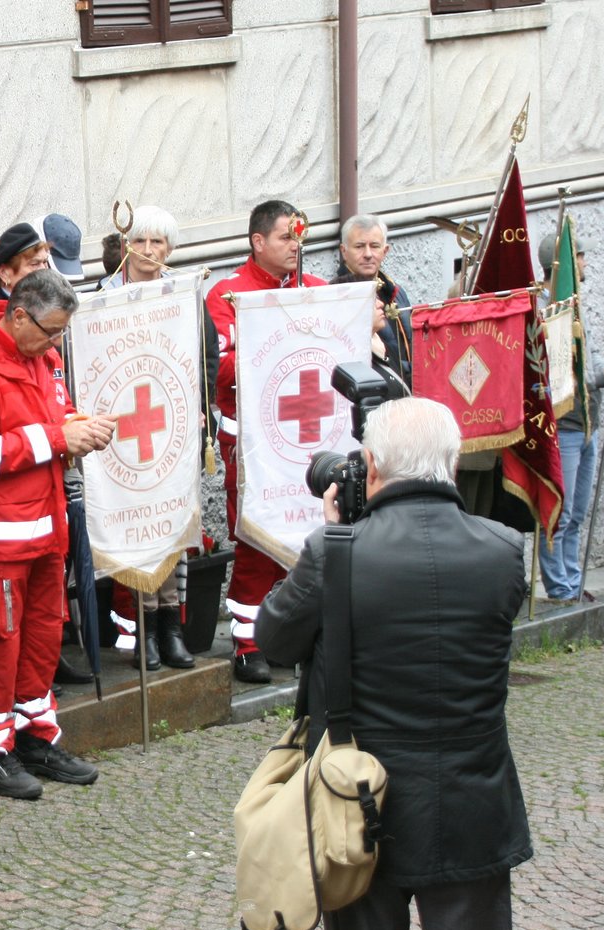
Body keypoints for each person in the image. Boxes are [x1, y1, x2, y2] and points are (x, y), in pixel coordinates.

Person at [256, 396, 532, 930]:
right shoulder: (503, 551)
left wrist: (329, 539)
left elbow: (272, 638)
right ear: (452, 463)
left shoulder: (336, 552)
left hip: (361, 808)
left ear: (369, 468)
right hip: (473, 805)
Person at [0, 270, 113, 800]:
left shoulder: (42, 357)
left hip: (46, 527)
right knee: (1, 642)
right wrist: (56, 435)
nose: (56, 342)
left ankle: (37, 735)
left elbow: (52, 417)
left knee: (42, 637)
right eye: (51, 330)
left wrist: (78, 427)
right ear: (19, 315)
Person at [205, 199, 326, 684]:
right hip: (253, 441)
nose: (296, 245)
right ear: (258, 242)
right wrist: (278, 338)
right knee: (257, 537)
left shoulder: (316, 291)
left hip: (308, 433)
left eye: (299, 236)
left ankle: (291, 634)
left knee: (309, 533)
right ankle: (249, 641)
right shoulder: (228, 294)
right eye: (285, 237)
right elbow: (221, 369)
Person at [99, 205, 218, 671]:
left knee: (171, 526)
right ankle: (144, 627)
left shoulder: (185, 294)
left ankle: (171, 625)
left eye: (159, 243)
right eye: (142, 241)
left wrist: (201, 411)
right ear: (127, 244)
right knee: (136, 525)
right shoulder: (104, 297)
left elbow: (205, 357)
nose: (149, 251)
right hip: (126, 429)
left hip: (174, 430)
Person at [533, 227, 604, 605]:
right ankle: (560, 592)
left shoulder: (571, 304)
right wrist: (599, 376)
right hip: (563, 427)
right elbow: (553, 371)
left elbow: (580, 358)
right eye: (580, 256)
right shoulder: (545, 310)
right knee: (559, 512)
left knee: (575, 514)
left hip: (583, 422)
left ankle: (571, 587)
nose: (586, 262)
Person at [334, 213, 414, 388]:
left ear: (385, 251)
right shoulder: (334, 297)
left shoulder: (396, 291)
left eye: (375, 246)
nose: (368, 254)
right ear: (344, 251)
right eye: (359, 246)